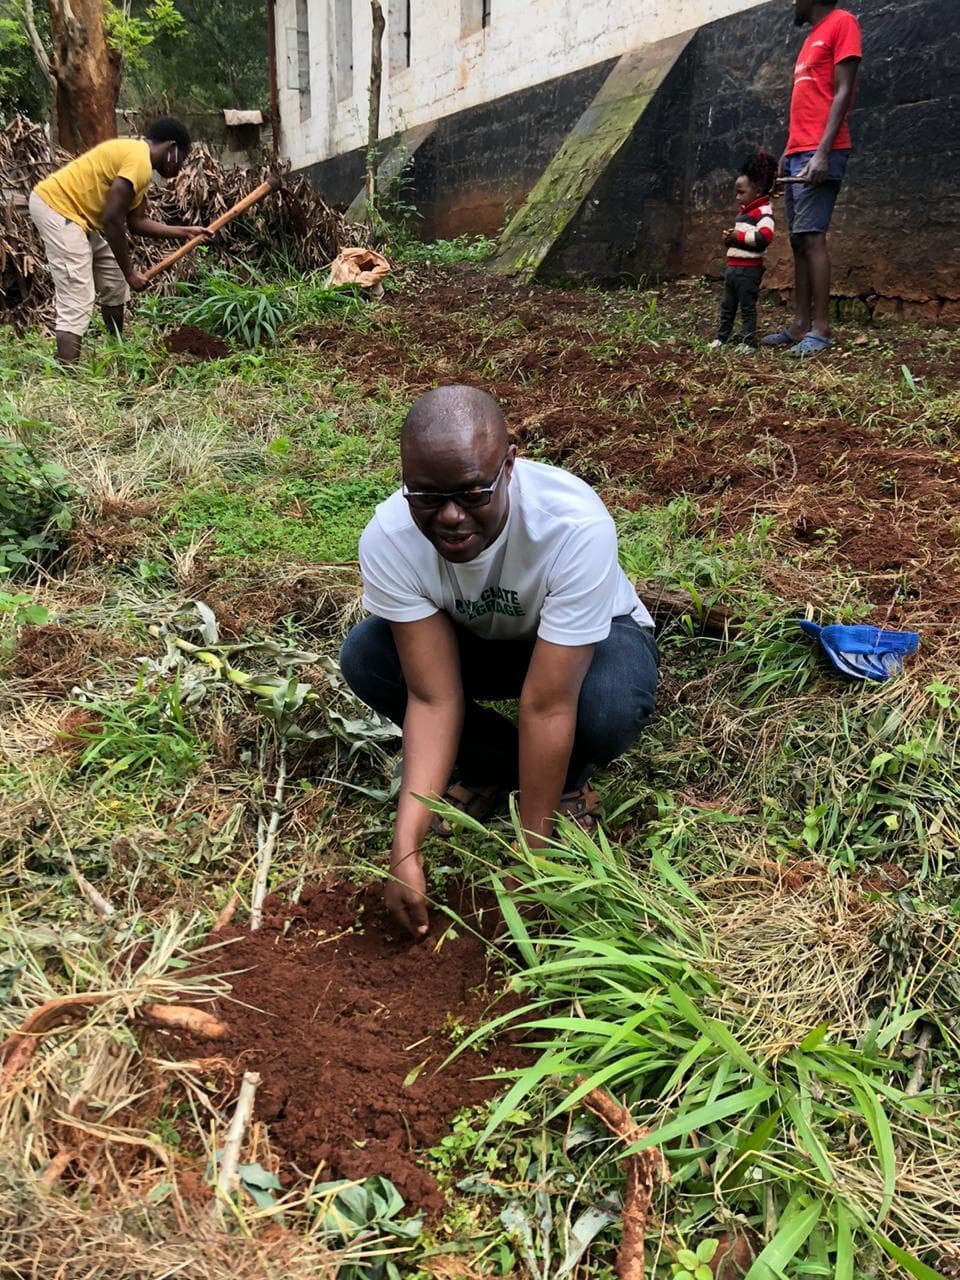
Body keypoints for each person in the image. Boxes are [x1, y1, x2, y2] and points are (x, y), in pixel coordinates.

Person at [340, 385, 659, 938]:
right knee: (369, 656)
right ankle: (493, 766)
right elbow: (433, 696)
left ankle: (563, 784)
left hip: (588, 641)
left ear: (510, 464)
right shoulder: (390, 537)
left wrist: (530, 859)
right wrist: (404, 848)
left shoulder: (572, 525)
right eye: (426, 496)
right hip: (483, 641)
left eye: (472, 492)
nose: (450, 516)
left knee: (606, 707)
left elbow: (548, 703)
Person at [29, 118, 211, 363]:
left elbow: (137, 223)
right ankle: (66, 373)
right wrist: (130, 273)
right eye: (183, 158)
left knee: (114, 281)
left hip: (77, 217)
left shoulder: (139, 163)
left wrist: (184, 231)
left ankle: (116, 348)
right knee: (77, 295)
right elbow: (112, 220)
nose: (181, 167)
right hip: (57, 208)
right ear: (171, 148)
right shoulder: (139, 159)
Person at [762, 0, 861, 358]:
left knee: (814, 237)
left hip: (821, 151)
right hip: (797, 152)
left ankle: (820, 329)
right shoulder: (809, 40)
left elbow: (844, 91)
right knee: (798, 241)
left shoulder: (842, 23)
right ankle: (799, 325)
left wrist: (822, 152)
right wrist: (787, 158)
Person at [709, 151, 778, 351]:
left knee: (747, 307)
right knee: (727, 306)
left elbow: (764, 237)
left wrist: (736, 238)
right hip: (733, 269)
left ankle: (748, 342)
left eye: (741, 192)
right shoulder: (745, 213)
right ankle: (722, 338)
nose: (737, 197)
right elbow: (745, 239)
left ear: (757, 191)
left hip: (748, 271)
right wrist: (729, 239)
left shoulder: (763, 212)